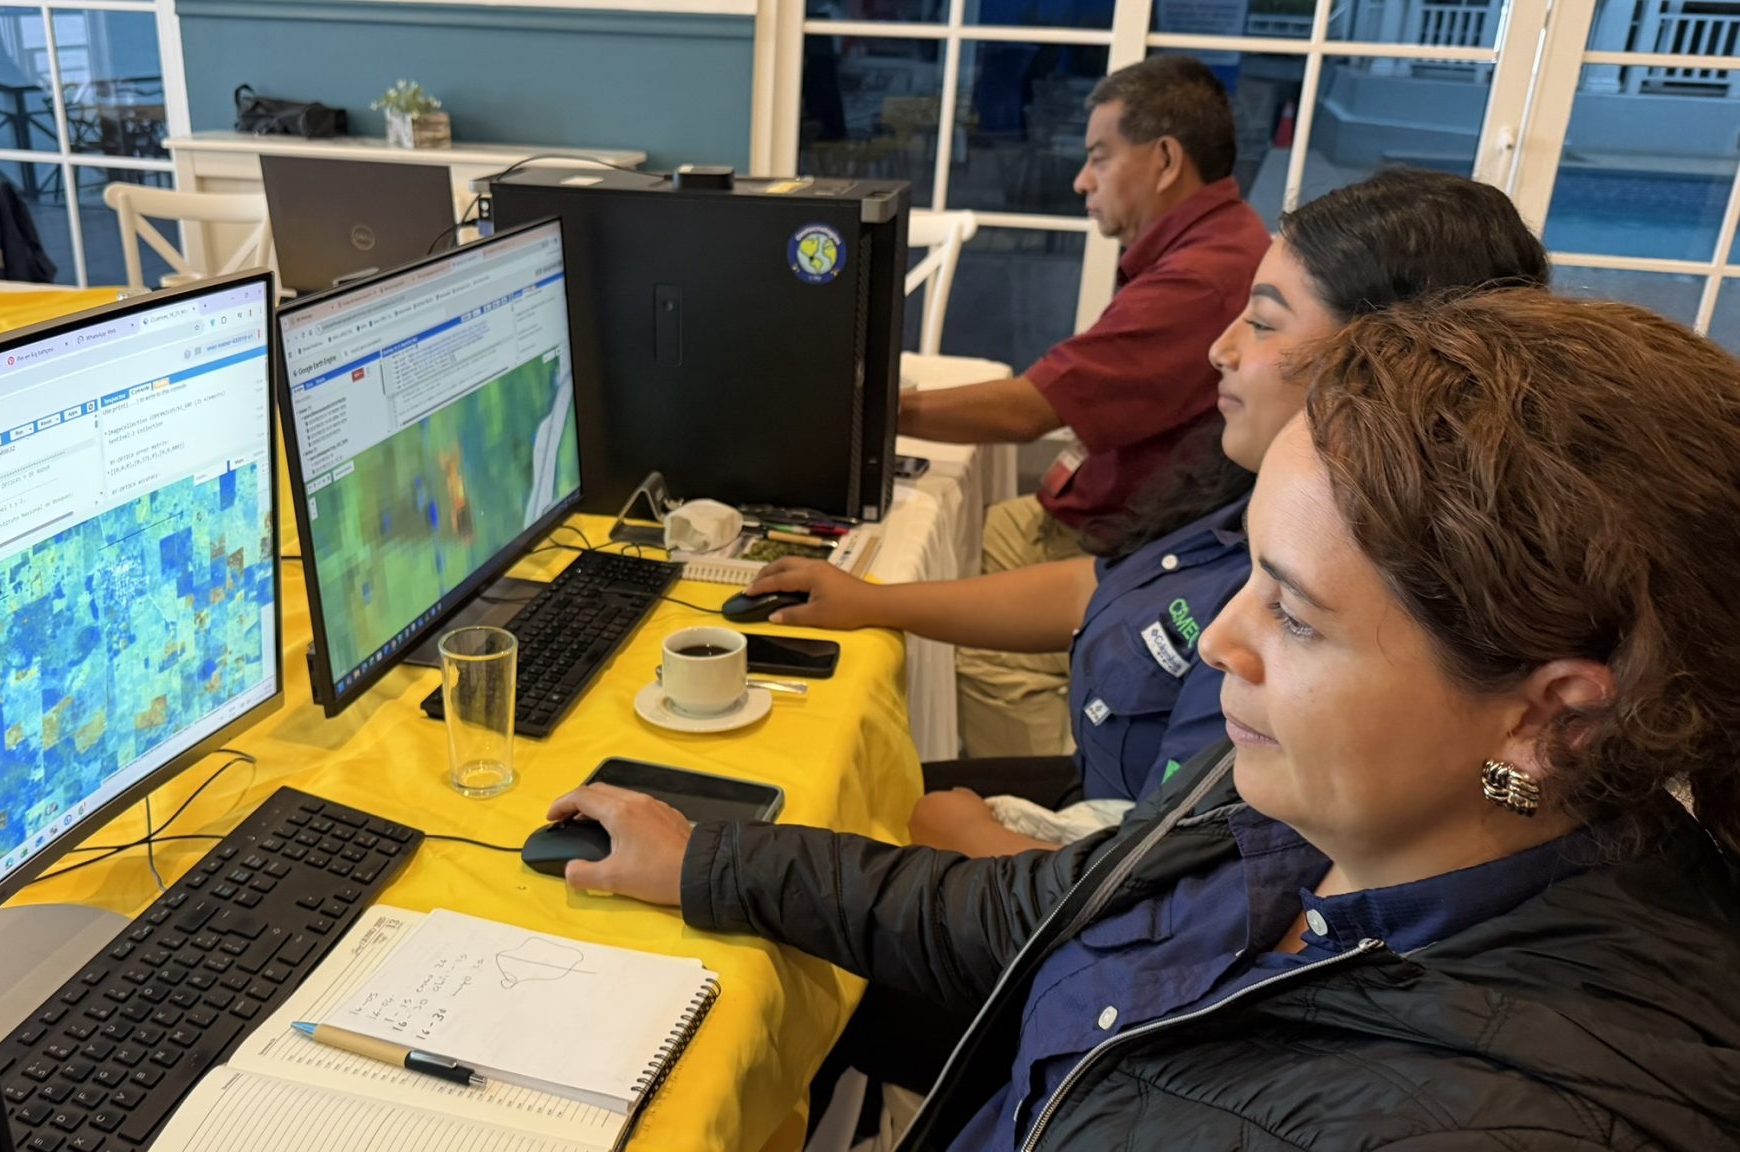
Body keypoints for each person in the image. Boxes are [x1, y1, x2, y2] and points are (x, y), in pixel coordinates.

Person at [550, 291, 1740, 1149]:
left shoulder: (1499, 1111)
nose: (1218, 640)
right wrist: (709, 860)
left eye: (1294, 614)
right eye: (1248, 575)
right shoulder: (1331, 808)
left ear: (1549, 721)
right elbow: (1034, 914)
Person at [753, 169, 1550, 859]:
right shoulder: (1258, 498)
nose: (1221, 350)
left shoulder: (1337, 614)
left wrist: (967, 840)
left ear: (1384, 365)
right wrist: (873, 602)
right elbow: (1100, 586)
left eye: (1262, 323)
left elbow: (1169, 905)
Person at [899, 54, 1270, 761]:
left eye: (1099, 157)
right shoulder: (1217, 242)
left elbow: (1028, 412)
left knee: (952, 613)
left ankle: (1057, 792)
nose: (1081, 180)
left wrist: (875, 411)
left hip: (1132, 536)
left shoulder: (1199, 278)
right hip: (1131, 508)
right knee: (969, 529)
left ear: (1165, 160)